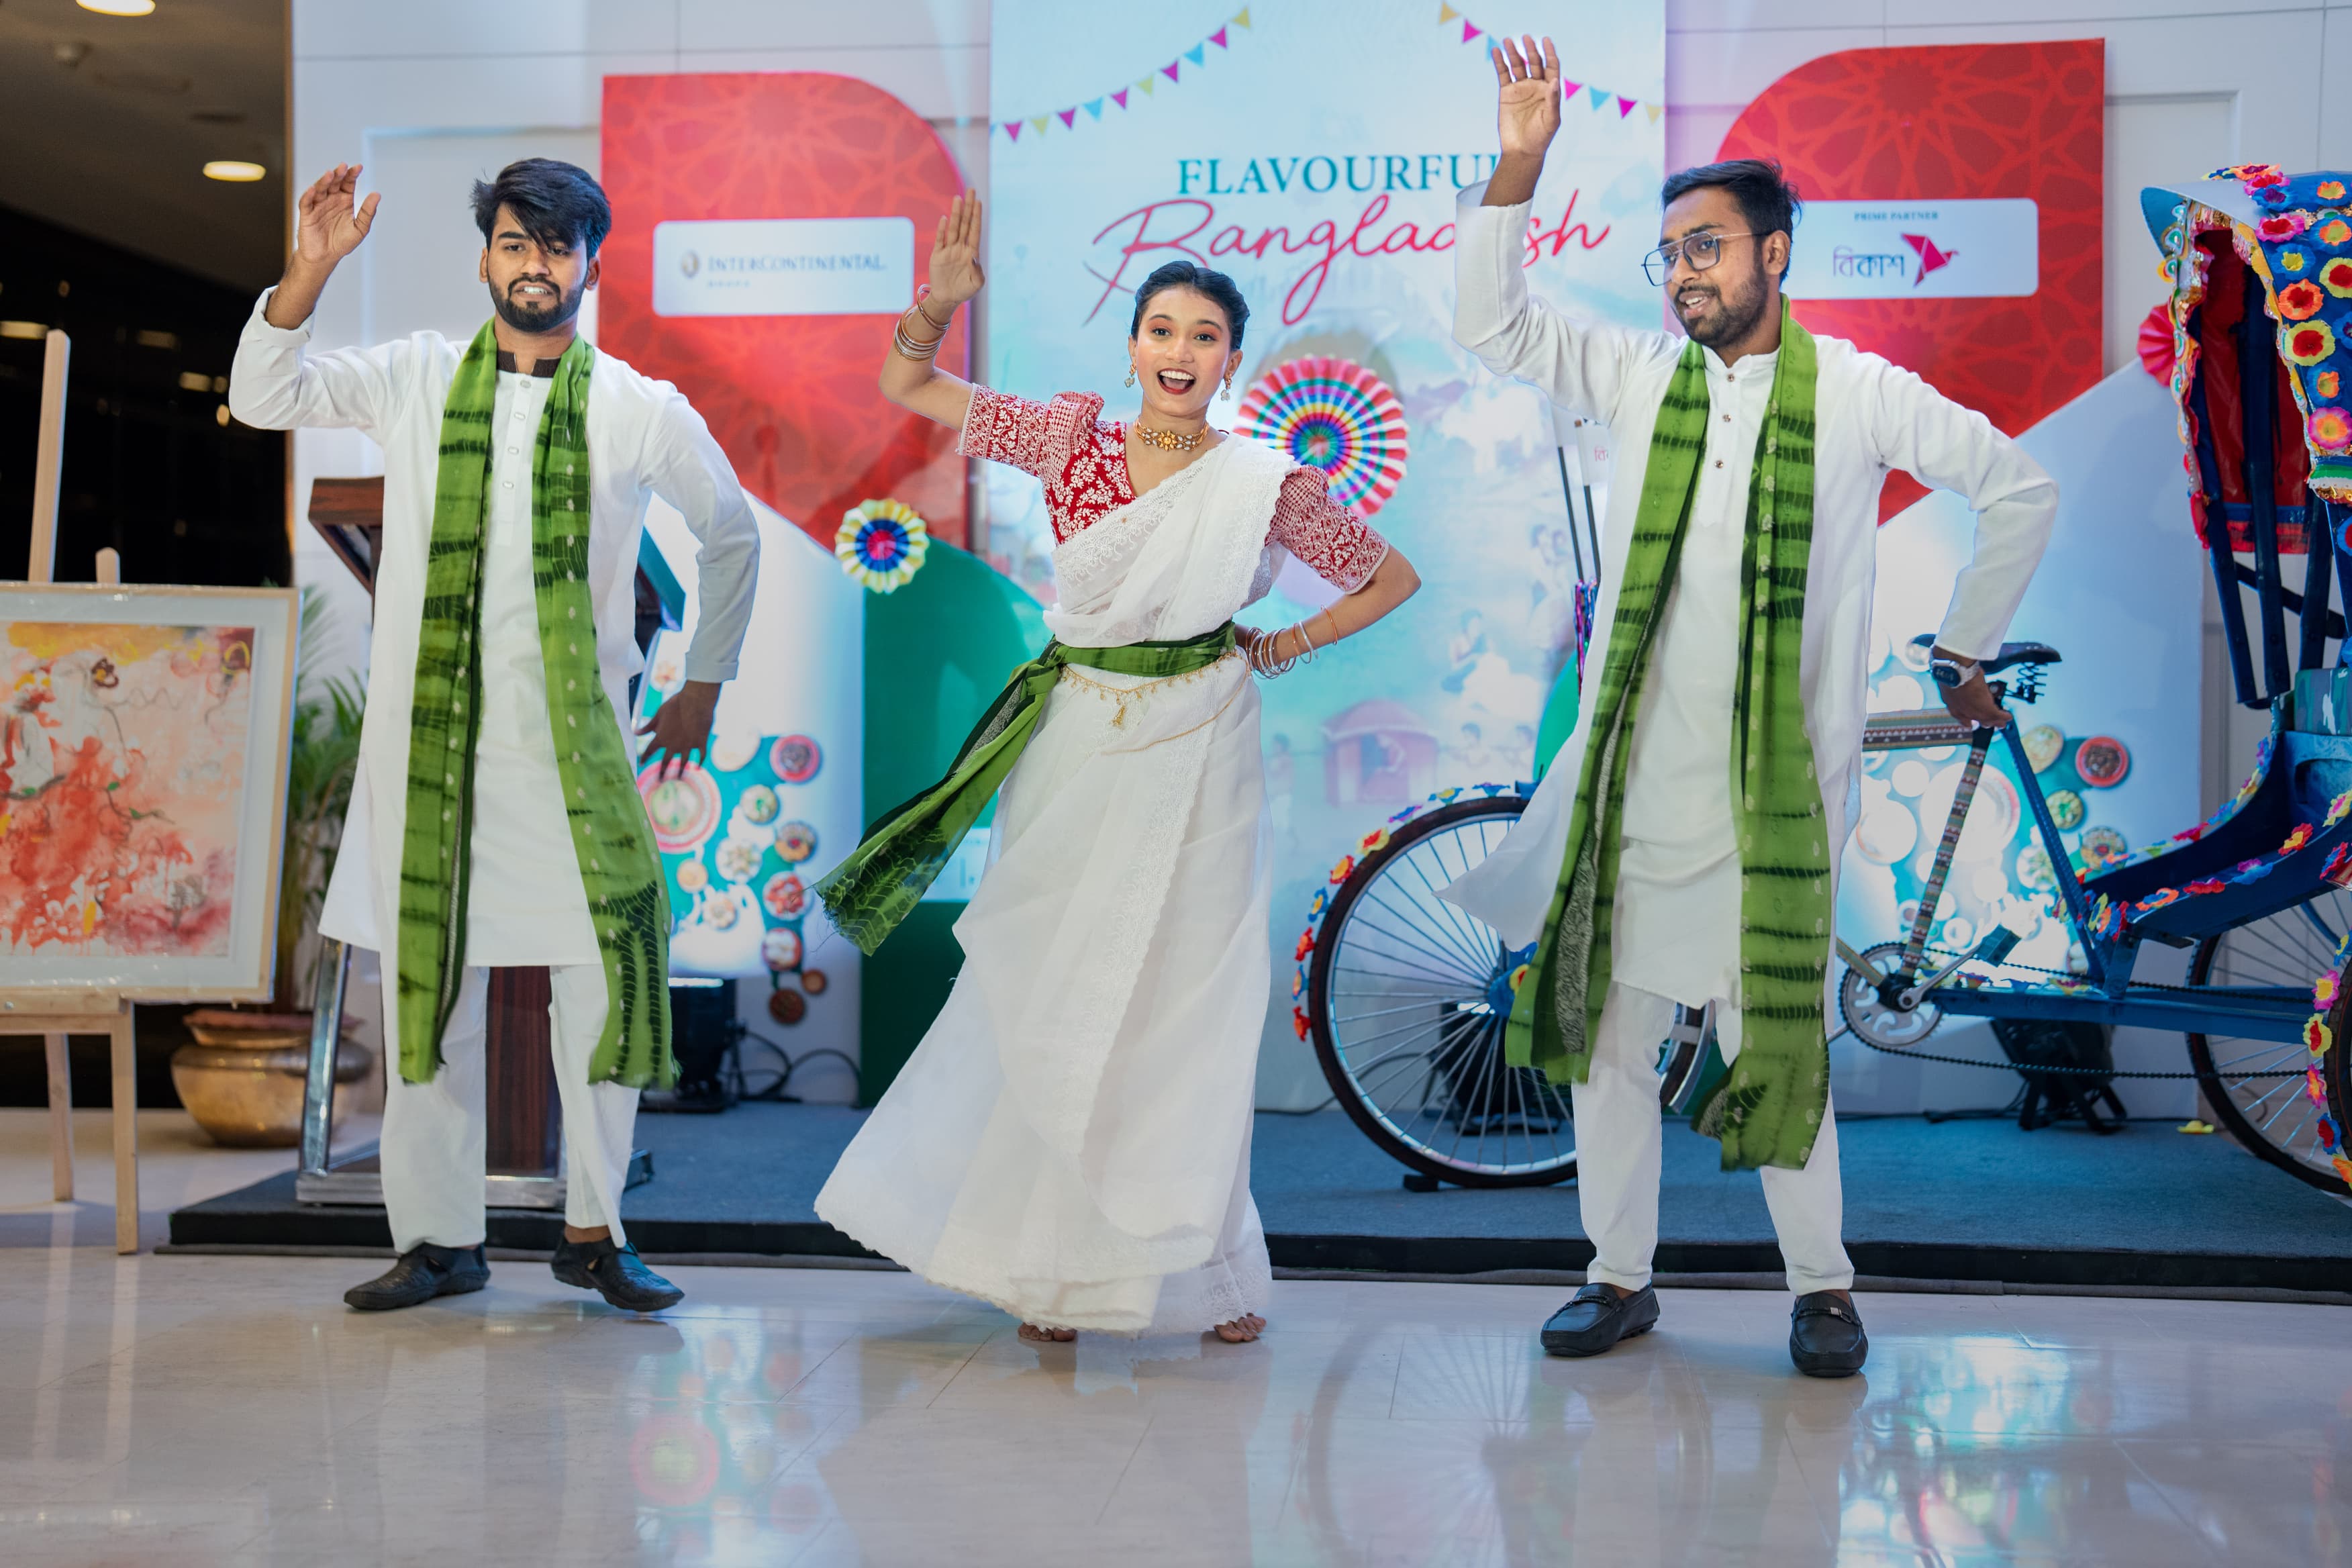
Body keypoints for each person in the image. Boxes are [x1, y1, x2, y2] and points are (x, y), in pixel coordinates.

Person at [1441, 40, 2057, 1376]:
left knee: (1770, 1029)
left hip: (1770, 799)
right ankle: (1616, 1278)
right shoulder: (1635, 377)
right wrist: (1520, 165)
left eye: (1708, 247)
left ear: (1776, 254)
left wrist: (1964, 645)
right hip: (1632, 782)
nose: (1684, 274)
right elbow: (1488, 325)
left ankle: (1823, 1289)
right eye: (1670, 253)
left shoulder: (1861, 394)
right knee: (1608, 1039)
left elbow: (2020, 489)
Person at [812, 195, 1420, 1344]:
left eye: (1205, 336)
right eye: (1162, 329)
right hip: (1081, 736)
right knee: (1053, 989)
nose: (1180, 352)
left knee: (1189, 1003)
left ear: (1232, 358)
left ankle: (1208, 1272)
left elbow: (1390, 580)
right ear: (1132, 345)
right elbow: (907, 385)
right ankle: (1049, 1272)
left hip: (1205, 737)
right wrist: (939, 301)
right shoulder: (1068, 440)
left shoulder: (1267, 482)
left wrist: (1284, 644)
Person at [230, 160, 761, 1314]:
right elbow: (265, 395)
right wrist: (309, 272)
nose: (536, 265)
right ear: (487, 257)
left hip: (574, 766)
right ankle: (439, 1242)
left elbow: (732, 534)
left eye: (559, 248)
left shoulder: (638, 406)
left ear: (591, 268)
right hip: (432, 763)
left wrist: (705, 685)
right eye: (517, 243)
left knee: (606, 994)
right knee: (431, 994)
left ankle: (595, 1232)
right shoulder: (417, 376)